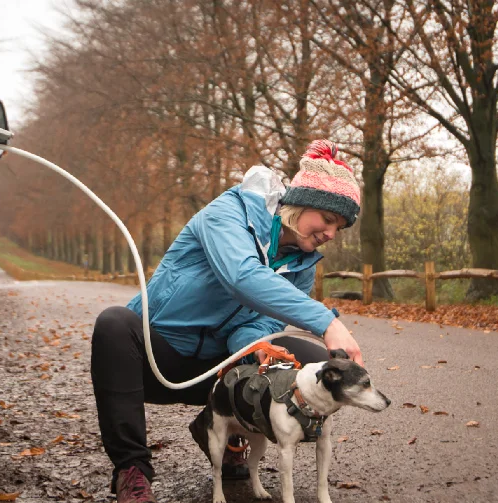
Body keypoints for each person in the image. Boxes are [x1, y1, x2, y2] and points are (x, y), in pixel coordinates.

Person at [91, 139, 364, 503]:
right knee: (113, 323)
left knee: (307, 359)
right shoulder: (228, 213)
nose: (330, 233)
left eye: (339, 228)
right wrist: (328, 323)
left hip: (216, 372)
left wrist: (258, 352)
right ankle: (132, 471)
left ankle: (227, 426)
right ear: (300, 204)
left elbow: (254, 329)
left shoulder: (301, 265)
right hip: (156, 359)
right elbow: (241, 277)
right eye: (327, 219)